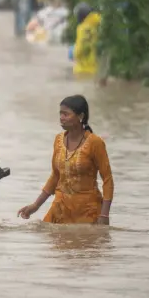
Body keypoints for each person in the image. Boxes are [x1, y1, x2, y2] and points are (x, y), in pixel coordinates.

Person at [17, 95, 114, 225]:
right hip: (60, 209)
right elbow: (55, 176)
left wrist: (104, 214)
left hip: (86, 211)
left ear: (80, 116)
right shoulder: (58, 140)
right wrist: (35, 206)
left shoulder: (95, 143)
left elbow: (107, 179)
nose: (61, 118)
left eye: (66, 114)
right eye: (60, 114)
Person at [71, 3, 101, 76]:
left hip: (84, 69)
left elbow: (81, 47)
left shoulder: (83, 28)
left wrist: (74, 53)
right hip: (96, 68)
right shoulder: (97, 24)